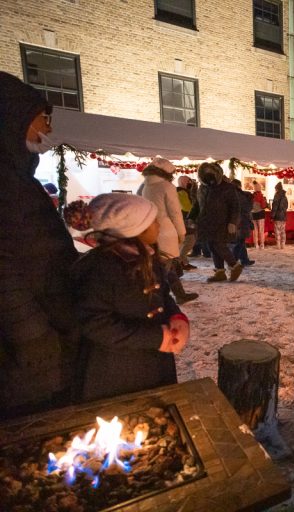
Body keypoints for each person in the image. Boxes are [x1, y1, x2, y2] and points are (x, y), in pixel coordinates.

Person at [0, 71, 80, 419]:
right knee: (40, 420)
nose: (46, 130)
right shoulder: (5, 180)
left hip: (50, 318)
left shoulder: (17, 175)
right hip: (31, 343)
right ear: (14, 116)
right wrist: (32, 335)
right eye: (44, 119)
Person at [69, 193, 189, 401]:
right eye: (153, 221)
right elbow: (95, 323)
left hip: (152, 363)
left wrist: (177, 318)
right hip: (116, 371)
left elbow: (162, 295)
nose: (159, 224)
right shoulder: (101, 268)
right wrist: (156, 337)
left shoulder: (147, 258)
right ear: (134, 229)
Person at [139, 157, 198, 303]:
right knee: (164, 267)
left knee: (166, 265)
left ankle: (179, 294)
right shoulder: (167, 186)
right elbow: (175, 212)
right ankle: (154, 299)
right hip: (165, 230)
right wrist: (181, 232)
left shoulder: (145, 185)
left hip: (149, 228)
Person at [196, 162, 243, 282]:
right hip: (206, 222)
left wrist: (233, 222)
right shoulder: (203, 188)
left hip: (222, 222)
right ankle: (220, 272)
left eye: (210, 173)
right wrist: (191, 218)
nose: (208, 176)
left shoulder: (227, 187)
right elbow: (197, 205)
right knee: (212, 245)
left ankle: (234, 265)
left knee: (218, 244)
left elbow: (235, 207)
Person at [231, 179, 255, 266]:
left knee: (241, 242)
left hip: (238, 221)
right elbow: (247, 208)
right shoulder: (240, 195)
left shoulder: (234, 194)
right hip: (241, 221)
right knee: (240, 242)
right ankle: (233, 262)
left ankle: (244, 260)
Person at [177, 175, 198, 270]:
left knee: (187, 241)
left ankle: (183, 262)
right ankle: (180, 261)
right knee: (189, 241)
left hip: (185, 220)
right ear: (181, 182)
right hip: (186, 220)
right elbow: (187, 207)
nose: (189, 183)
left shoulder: (185, 192)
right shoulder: (181, 192)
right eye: (187, 181)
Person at [251, 181, 268, 249]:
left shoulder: (252, 196)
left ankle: (256, 244)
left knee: (255, 230)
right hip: (260, 213)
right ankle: (262, 244)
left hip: (253, 213)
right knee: (261, 230)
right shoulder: (261, 196)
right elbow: (263, 206)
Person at [271, 182, 289, 249]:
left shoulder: (276, 195)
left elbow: (274, 207)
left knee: (277, 231)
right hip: (283, 216)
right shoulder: (284, 196)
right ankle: (283, 244)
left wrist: (272, 216)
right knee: (283, 231)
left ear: (276, 188)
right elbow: (286, 206)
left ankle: (278, 245)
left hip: (277, 216)